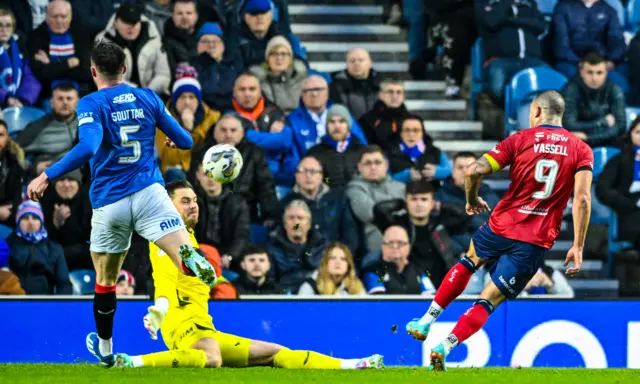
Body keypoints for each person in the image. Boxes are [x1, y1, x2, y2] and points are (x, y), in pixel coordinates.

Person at [24, 40, 217, 367]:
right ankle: (190, 258)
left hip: (111, 202)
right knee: (179, 252)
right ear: (125, 69)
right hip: (150, 193)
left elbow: (87, 147)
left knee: (106, 279)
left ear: (93, 70)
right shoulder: (148, 97)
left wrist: (47, 176)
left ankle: (105, 346)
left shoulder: (91, 103)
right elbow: (185, 140)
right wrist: (170, 137)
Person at [404, 91, 593, 370]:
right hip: (535, 240)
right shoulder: (580, 149)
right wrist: (577, 245)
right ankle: (445, 346)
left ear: (537, 111)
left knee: (468, 263)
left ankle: (425, 321)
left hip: (502, 225)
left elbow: (472, 171)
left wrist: (471, 200)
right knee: (489, 300)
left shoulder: (519, 140)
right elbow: (583, 199)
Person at [110, 184, 384, 370]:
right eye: (185, 201)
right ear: (167, 207)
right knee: (211, 358)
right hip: (183, 325)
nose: (193, 206)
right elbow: (166, 277)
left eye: (194, 200)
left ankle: (354, 364)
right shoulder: (166, 239)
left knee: (275, 352)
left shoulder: (187, 237)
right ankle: (133, 362)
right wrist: (161, 307)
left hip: (204, 327)